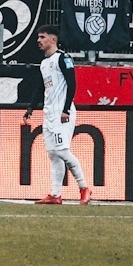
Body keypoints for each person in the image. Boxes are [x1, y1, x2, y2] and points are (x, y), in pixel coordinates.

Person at [23, 25, 93, 205]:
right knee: (53, 153)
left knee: (62, 151)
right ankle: (55, 195)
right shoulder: (44, 63)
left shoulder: (63, 58)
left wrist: (66, 109)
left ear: (52, 39)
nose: (38, 40)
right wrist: (31, 108)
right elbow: (40, 87)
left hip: (63, 112)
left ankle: (84, 187)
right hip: (49, 113)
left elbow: (72, 84)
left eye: (42, 37)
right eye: (38, 37)